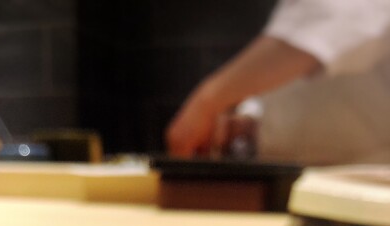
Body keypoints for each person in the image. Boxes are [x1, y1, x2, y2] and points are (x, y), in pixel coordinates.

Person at [166, 0, 390, 165]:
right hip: (315, 174)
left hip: (363, 183)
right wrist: (251, 122)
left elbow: (337, 20)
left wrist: (208, 101)